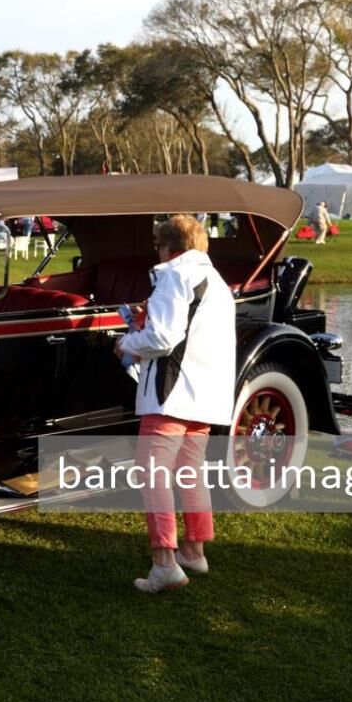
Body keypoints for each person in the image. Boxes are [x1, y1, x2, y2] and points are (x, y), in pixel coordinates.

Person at [116, 214, 235, 593]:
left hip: (171, 393)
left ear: (170, 247)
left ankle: (164, 562)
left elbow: (164, 338)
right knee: (190, 470)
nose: (157, 252)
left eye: (158, 245)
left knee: (153, 471)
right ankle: (193, 550)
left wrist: (126, 344)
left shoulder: (173, 275)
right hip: (206, 393)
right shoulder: (218, 282)